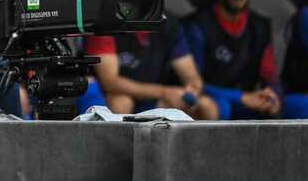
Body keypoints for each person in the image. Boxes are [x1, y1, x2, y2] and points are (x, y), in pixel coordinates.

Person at [181, 0, 285, 121]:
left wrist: (273, 96)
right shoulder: (197, 25)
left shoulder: (260, 26)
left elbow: (270, 74)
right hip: (211, 99)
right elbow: (192, 84)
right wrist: (241, 97)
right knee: (220, 105)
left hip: (246, 101)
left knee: (291, 107)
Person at [82, 18, 219, 119]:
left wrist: (191, 90)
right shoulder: (107, 22)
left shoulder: (168, 24)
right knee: (122, 102)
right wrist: (165, 92)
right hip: (116, 96)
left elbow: (191, 76)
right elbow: (110, 82)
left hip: (154, 100)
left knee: (207, 105)